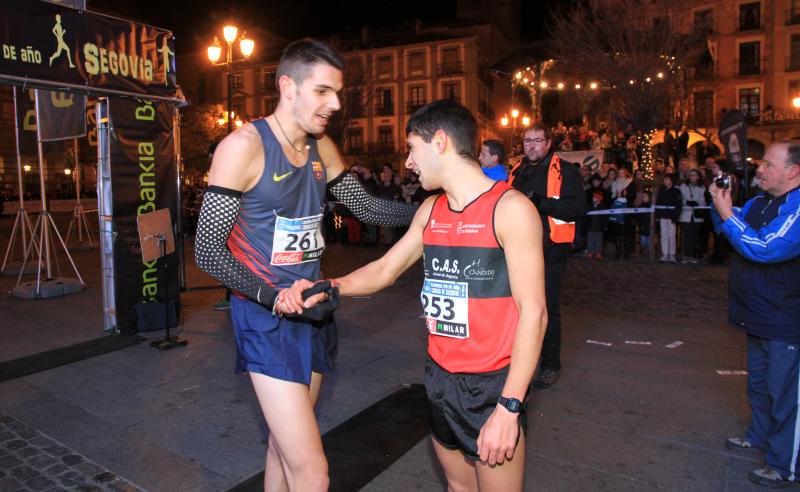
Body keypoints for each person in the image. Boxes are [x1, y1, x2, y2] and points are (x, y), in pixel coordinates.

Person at [194, 38, 416, 491]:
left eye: (337, 92)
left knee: (283, 446)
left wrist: (434, 210)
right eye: (322, 91)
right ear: (287, 87)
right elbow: (207, 250)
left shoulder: (321, 147)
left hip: (313, 310)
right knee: (312, 471)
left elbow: (368, 209)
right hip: (265, 316)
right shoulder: (243, 147)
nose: (335, 104)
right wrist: (272, 297)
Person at [305, 99, 546, 491]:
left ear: (439, 142)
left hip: (493, 385)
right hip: (439, 377)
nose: (409, 162)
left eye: (411, 148)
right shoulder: (431, 210)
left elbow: (534, 313)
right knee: (458, 487)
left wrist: (509, 406)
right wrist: (333, 286)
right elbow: (385, 269)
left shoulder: (510, 209)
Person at [711, 140, 800, 488]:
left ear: (793, 172)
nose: (759, 169)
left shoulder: (796, 209)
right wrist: (720, 203)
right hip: (758, 314)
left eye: (768, 165)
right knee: (760, 386)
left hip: (786, 319)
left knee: (787, 395)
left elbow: (764, 248)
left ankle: (785, 464)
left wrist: (728, 214)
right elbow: (725, 231)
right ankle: (760, 437)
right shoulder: (760, 202)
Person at [508, 123, 587, 388]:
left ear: (548, 143)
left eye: (537, 140)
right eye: (527, 141)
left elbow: (577, 208)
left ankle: (550, 364)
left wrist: (541, 202)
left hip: (551, 251)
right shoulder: (516, 172)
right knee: (517, 308)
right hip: (518, 251)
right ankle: (519, 360)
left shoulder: (564, 171)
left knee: (547, 309)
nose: (531, 145)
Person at [678, 168, 707, 263]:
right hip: (686, 213)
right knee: (687, 235)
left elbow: (703, 201)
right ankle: (685, 255)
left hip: (696, 214)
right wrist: (687, 202)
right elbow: (680, 198)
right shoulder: (683, 186)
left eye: (694, 175)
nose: (692, 177)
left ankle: (691, 255)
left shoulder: (702, 187)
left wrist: (698, 204)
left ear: (698, 177)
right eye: (690, 175)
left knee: (694, 236)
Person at [655, 173, 682, 262]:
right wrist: (658, 215)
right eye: (664, 179)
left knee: (671, 236)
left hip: (671, 217)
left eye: (667, 179)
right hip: (663, 216)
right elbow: (658, 203)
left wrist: (675, 217)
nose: (665, 181)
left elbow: (678, 205)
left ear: (671, 181)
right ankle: (665, 253)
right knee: (664, 235)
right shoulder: (662, 190)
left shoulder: (676, 191)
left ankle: (672, 254)